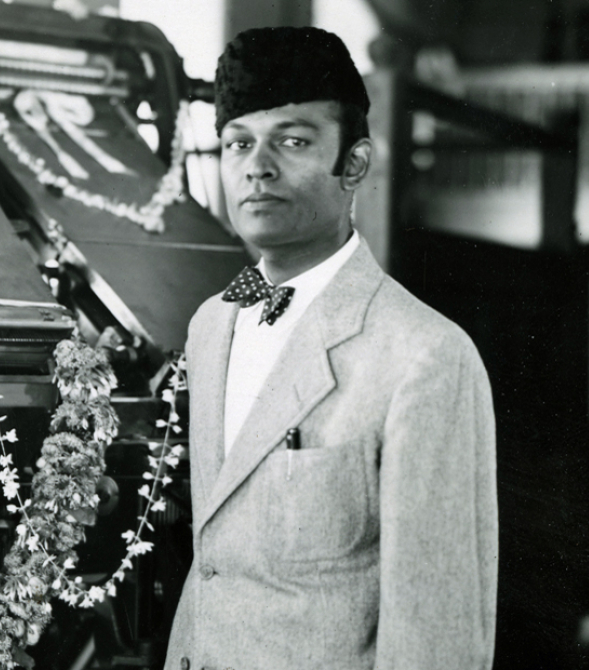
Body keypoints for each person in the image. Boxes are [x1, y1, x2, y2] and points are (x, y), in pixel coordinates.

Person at [164, 27, 498, 670]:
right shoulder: (213, 325)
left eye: (292, 140)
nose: (257, 166)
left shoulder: (424, 357)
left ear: (355, 164)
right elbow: (214, 573)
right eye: (238, 143)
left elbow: (437, 639)